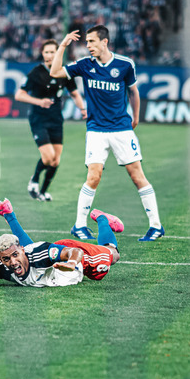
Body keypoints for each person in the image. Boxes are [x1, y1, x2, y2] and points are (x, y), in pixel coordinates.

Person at [50, 26, 165, 242]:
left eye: (92, 42)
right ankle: (79, 225)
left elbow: (133, 91)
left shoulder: (124, 64)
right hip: (96, 131)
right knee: (93, 176)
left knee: (137, 177)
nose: (88, 46)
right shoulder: (85, 65)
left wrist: (136, 117)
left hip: (122, 129)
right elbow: (55, 72)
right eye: (86, 43)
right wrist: (63, 45)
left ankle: (156, 227)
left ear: (105, 41)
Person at [0, 199, 122, 289]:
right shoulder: (1, 267)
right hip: (53, 259)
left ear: (21, 250)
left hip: (75, 260)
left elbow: (74, 252)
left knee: (111, 258)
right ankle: (8, 213)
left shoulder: (38, 252)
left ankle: (102, 219)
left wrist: (71, 264)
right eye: (5, 259)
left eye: (14, 255)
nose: (11, 262)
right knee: (33, 255)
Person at [15, 39, 84, 202]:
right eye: (46, 52)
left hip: (56, 119)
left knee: (55, 160)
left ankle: (43, 191)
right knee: (48, 157)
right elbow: (19, 95)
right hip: (38, 118)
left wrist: (82, 109)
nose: (49, 55)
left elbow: (74, 93)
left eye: (53, 52)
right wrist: (39, 101)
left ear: (58, 53)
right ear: (42, 54)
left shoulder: (64, 72)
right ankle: (34, 181)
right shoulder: (36, 73)